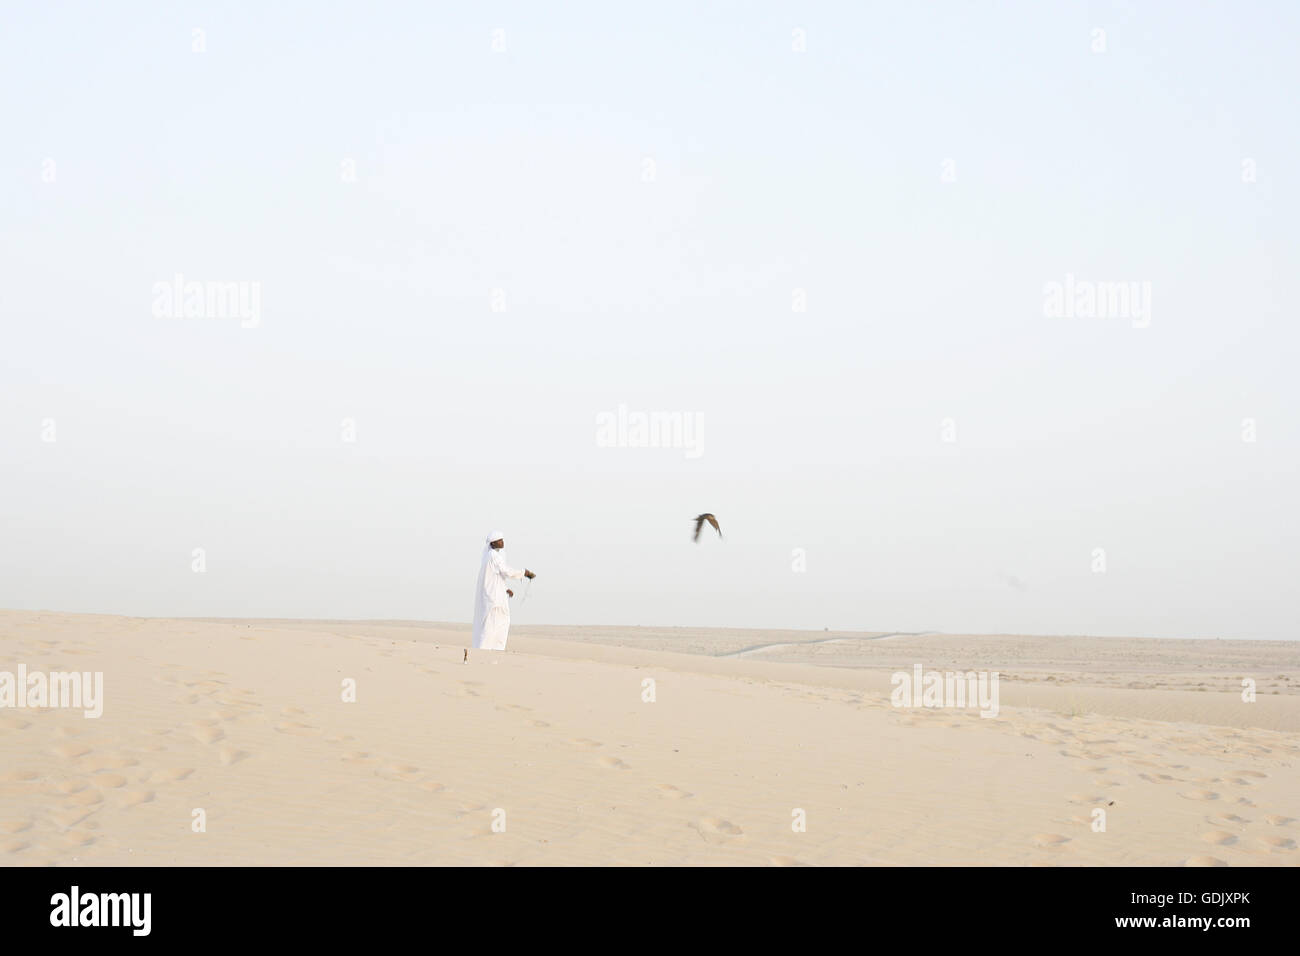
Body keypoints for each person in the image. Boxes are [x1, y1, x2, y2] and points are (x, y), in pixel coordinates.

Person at [470, 530, 535, 655]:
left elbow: (496, 577)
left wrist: (505, 589)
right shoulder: (493, 556)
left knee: (501, 623)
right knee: (491, 624)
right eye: (499, 540)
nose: (502, 542)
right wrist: (524, 572)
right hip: (493, 599)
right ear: (493, 544)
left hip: (497, 596)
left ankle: (496, 651)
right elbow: (506, 571)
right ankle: (483, 652)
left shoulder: (491, 556)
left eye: (502, 539)